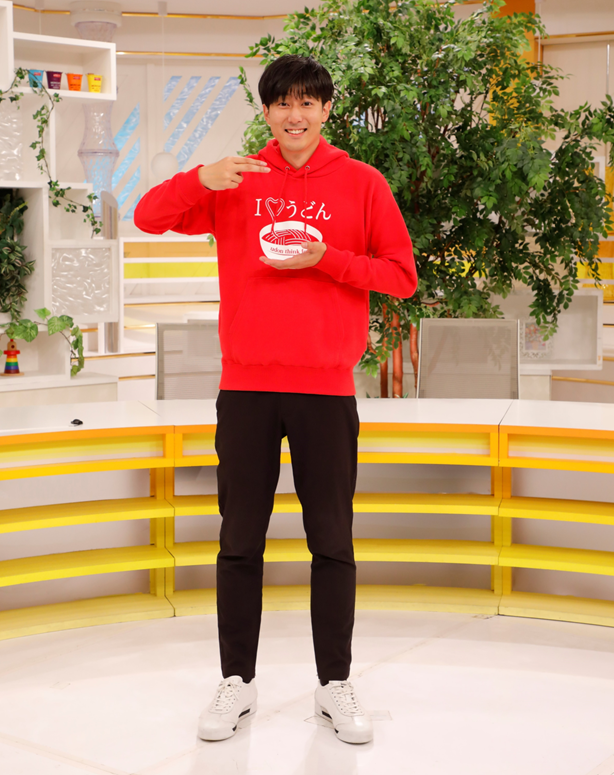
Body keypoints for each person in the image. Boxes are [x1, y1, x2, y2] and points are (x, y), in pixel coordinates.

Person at [134, 54, 417, 745]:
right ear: (265, 112)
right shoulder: (235, 179)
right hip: (246, 387)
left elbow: (400, 276)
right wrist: (198, 178)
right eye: (282, 103)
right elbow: (146, 216)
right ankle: (237, 680)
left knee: (333, 543)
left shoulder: (362, 182)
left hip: (325, 388)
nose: (296, 115)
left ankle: (334, 684)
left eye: (308, 102)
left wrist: (326, 258)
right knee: (239, 541)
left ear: (327, 110)